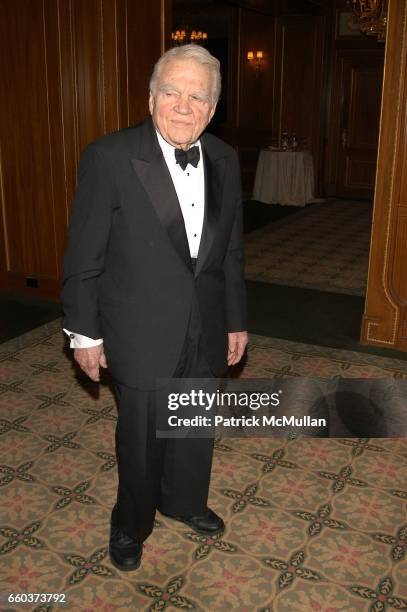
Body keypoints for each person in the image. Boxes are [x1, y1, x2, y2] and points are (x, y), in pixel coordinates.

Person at [62, 44, 248, 571]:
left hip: (206, 323)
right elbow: (83, 256)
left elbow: (231, 250)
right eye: (172, 92)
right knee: (141, 439)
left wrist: (235, 319)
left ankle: (185, 501)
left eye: (198, 97)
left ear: (212, 109)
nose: (183, 107)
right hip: (138, 327)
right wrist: (84, 334)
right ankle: (132, 524)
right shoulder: (110, 157)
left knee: (193, 425)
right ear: (150, 99)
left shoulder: (225, 158)